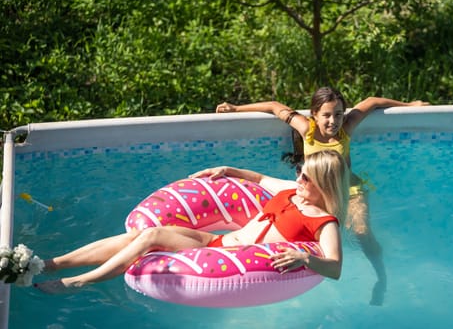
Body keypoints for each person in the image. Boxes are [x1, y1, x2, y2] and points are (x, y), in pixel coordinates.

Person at [216, 87, 429, 305]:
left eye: (338, 114)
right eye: (326, 115)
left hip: (348, 189)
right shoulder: (305, 128)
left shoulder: (346, 128)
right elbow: (274, 106)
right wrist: (235, 107)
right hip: (316, 190)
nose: (333, 121)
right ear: (315, 114)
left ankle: (380, 277)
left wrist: (410, 106)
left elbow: (372, 101)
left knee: (361, 231)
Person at [34, 150, 350, 293]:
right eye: (299, 172)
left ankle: (81, 282)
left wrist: (305, 257)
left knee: (150, 238)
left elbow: (335, 267)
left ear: (323, 183)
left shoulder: (324, 222)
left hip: (230, 257)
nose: (298, 178)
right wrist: (228, 170)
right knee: (143, 233)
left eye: (306, 177)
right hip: (219, 242)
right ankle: (54, 263)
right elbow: (260, 178)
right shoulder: (292, 191)